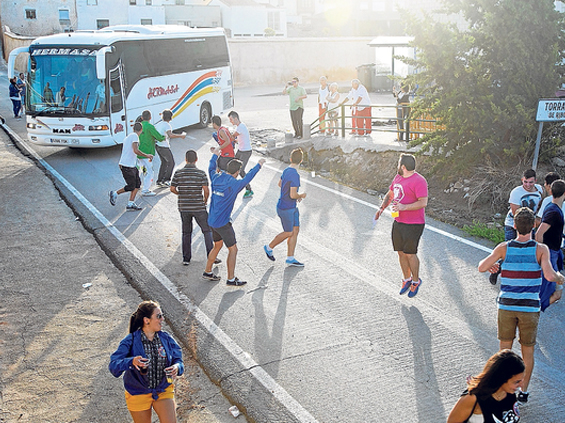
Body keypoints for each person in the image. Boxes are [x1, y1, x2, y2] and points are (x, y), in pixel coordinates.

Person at [478, 207, 565, 404]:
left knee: (504, 351)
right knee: (528, 352)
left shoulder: (503, 248)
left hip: (506, 306)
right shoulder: (540, 249)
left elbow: (482, 266)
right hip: (529, 308)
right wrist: (561, 278)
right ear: (534, 225)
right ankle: (523, 391)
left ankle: (502, 389)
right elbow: (550, 276)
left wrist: (494, 264)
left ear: (515, 226)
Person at [109, 300, 184, 423]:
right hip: (138, 393)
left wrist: (176, 367)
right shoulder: (130, 340)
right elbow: (113, 366)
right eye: (159, 316)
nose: (162, 319)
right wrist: (131, 361)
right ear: (146, 320)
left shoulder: (166, 338)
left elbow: (179, 360)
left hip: (163, 390)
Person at [203, 148, 266, 286]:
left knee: (217, 245)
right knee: (233, 249)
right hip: (223, 223)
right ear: (237, 172)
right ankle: (231, 279)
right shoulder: (235, 184)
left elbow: (211, 167)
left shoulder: (215, 178)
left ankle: (208, 271)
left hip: (212, 221)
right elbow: (249, 176)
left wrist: (215, 156)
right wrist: (259, 164)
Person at [374, 154, 428, 298]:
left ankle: (416, 281)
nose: (397, 166)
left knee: (410, 253)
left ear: (403, 166)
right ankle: (406, 279)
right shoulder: (398, 177)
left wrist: (404, 207)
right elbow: (390, 194)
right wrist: (381, 208)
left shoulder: (419, 181)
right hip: (398, 221)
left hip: (414, 224)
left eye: (399, 164)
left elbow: (423, 202)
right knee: (400, 252)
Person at [490, 169, 543, 284]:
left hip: (529, 224)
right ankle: (497, 269)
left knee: (528, 251)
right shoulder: (516, 192)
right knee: (510, 251)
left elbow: (539, 205)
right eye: (525, 182)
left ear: (535, 181)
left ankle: (522, 277)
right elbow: (516, 214)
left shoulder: (539, 189)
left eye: (531, 182)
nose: (528, 185)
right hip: (513, 224)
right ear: (522, 180)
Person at [447, 349, 524, 423]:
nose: (521, 385)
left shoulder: (509, 394)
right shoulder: (472, 398)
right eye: (516, 382)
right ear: (501, 379)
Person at [170, 150, 217, 266]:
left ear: (186, 159)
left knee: (186, 232)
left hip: (184, 207)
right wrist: (205, 201)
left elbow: (172, 189)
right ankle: (211, 256)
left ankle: (186, 259)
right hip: (198, 207)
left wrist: (180, 194)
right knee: (207, 230)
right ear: (196, 159)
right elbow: (206, 190)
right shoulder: (201, 173)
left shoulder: (178, 173)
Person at [263, 148, 307, 267]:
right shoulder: (295, 175)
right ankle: (269, 247)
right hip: (286, 208)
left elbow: (280, 184)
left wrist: (292, 194)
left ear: (291, 159)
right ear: (301, 161)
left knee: (295, 231)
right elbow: (293, 195)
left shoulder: (287, 170)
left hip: (290, 206)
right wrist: (300, 195)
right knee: (288, 232)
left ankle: (290, 258)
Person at [535, 179, 565, 310]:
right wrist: (542, 256)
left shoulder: (553, 207)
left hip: (555, 251)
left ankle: (535, 310)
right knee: (547, 288)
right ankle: (534, 311)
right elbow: (538, 234)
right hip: (549, 252)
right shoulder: (553, 211)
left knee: (552, 287)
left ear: (551, 191)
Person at [109, 122, 151, 211]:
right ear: (141, 130)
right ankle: (115, 193)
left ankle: (131, 203)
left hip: (131, 165)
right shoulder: (135, 136)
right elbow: (136, 150)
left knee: (137, 184)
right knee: (131, 186)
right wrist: (147, 155)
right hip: (127, 166)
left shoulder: (128, 137)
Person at [155, 109, 186, 188]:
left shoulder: (158, 124)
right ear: (170, 117)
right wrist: (181, 135)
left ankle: (160, 180)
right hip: (164, 146)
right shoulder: (167, 125)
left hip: (158, 146)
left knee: (164, 162)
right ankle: (166, 180)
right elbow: (170, 135)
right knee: (171, 163)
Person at [137, 110, 165, 197]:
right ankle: (145, 190)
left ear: (142, 117)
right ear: (150, 118)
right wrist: (165, 136)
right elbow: (159, 137)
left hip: (139, 152)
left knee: (142, 169)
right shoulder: (150, 126)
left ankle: (138, 185)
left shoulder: (139, 126)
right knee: (150, 172)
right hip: (147, 153)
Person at [228, 110, 254, 199]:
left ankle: (249, 190)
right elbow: (239, 138)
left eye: (231, 119)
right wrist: (236, 141)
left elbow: (232, 136)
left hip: (246, 151)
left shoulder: (240, 127)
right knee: (232, 166)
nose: (230, 121)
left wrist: (226, 135)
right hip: (241, 150)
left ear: (236, 118)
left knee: (240, 170)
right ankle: (230, 186)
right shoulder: (239, 127)